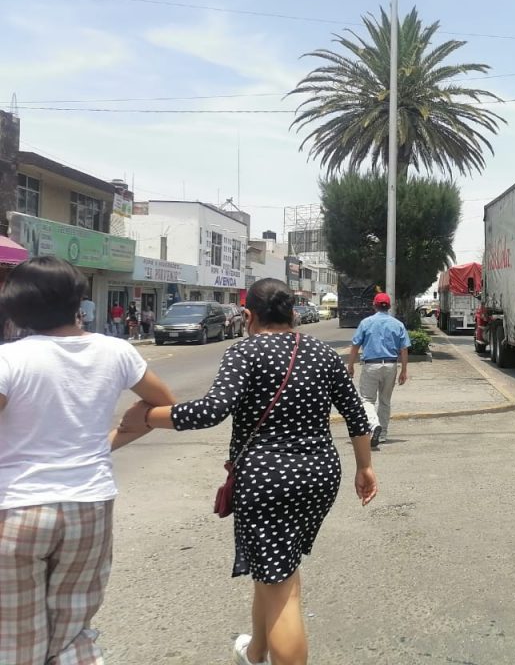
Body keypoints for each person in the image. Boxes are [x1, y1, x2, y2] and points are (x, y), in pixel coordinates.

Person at [118, 278, 377, 665]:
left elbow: (211, 411)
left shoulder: (245, 351)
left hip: (267, 480)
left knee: (282, 589)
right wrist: (365, 467)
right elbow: (357, 415)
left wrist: (149, 416)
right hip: (320, 475)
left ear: (249, 315)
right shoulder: (324, 354)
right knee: (278, 570)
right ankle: (256, 652)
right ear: (292, 313)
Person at [0, 257, 176, 664]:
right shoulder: (115, 351)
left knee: (14, 639)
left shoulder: (9, 359)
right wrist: (108, 441)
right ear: (77, 300)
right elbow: (164, 406)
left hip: (15, 509)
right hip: (89, 506)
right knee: (72, 632)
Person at [346, 292, 410, 449]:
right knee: (385, 401)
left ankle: (374, 425)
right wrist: (404, 371)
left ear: (374, 305)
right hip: (390, 365)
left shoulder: (366, 323)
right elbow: (404, 349)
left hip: (371, 365)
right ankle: (382, 434)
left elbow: (355, 345)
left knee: (367, 399)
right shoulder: (397, 324)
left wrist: (351, 365)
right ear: (389, 306)